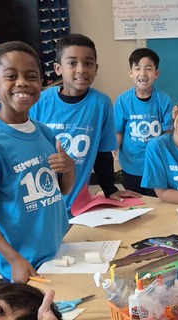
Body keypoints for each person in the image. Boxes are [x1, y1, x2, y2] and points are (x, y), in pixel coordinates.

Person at [0, 41, 75, 283]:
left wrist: (69, 167)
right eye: (11, 76)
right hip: (23, 263)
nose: (22, 82)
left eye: (31, 76)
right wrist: (13, 259)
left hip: (56, 251)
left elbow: (63, 189)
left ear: (41, 84)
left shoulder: (44, 132)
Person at [29, 34, 137, 211]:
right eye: (72, 63)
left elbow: (103, 154)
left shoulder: (101, 104)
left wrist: (109, 189)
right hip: (41, 199)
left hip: (77, 203)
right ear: (58, 68)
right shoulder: (39, 102)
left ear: (96, 68)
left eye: (88, 63)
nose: (81, 69)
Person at [113, 48, 173, 195]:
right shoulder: (123, 101)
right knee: (134, 202)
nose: (143, 74)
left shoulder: (164, 100)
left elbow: (167, 133)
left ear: (156, 73)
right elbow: (118, 131)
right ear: (131, 73)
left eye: (148, 69)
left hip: (155, 164)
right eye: (137, 68)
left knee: (156, 202)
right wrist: (114, 150)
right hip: (131, 163)